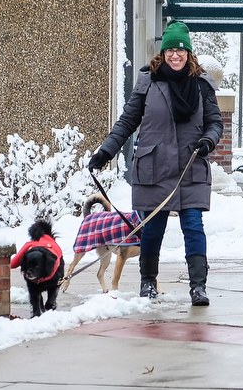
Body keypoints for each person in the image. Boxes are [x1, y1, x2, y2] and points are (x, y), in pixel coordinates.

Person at [87, 20, 223, 306]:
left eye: (181, 49)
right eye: (170, 49)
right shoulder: (148, 82)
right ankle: (147, 283)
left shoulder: (201, 85)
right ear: (163, 52)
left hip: (191, 165)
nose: (176, 55)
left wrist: (208, 141)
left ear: (189, 53)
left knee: (194, 226)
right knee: (152, 229)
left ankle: (198, 287)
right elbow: (127, 122)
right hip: (154, 166)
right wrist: (105, 152)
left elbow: (214, 123)